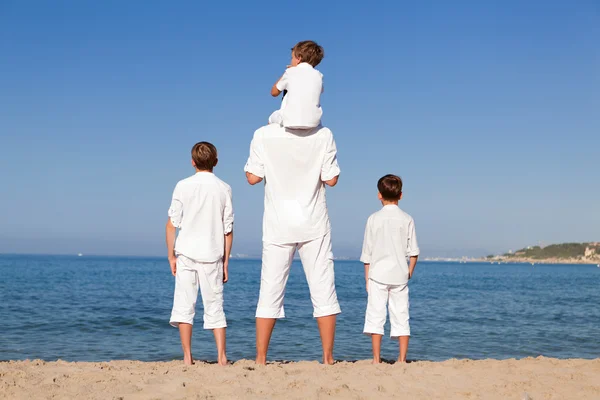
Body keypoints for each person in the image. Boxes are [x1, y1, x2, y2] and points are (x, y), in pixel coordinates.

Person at [244, 123, 341, 365]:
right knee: (323, 288)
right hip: (313, 223)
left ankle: (260, 359)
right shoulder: (324, 134)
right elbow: (331, 180)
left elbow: (252, 178)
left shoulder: (263, 134)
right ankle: (328, 359)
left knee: (270, 290)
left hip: (278, 224)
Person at [165, 141, 234, 366]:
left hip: (186, 253)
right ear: (215, 162)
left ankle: (187, 357)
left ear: (192, 162)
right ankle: (222, 357)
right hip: (213, 255)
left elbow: (171, 224)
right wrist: (226, 262)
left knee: (185, 306)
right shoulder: (224, 188)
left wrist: (171, 256)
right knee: (215, 307)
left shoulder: (182, 186)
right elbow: (228, 229)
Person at [360, 174, 420, 364]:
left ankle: (376, 359)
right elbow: (414, 252)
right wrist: (409, 271)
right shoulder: (407, 219)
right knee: (401, 316)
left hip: (377, 275)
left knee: (376, 316)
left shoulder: (373, 219)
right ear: (401, 195)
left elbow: (367, 253)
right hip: (400, 275)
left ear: (379, 195)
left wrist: (367, 278)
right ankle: (402, 359)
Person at [268, 40, 324, 129]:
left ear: (298, 58)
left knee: (272, 118)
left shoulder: (290, 72)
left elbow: (274, 92)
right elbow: (320, 90)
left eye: (292, 58)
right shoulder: (319, 75)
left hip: (290, 120)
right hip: (313, 122)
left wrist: (286, 72)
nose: (291, 60)